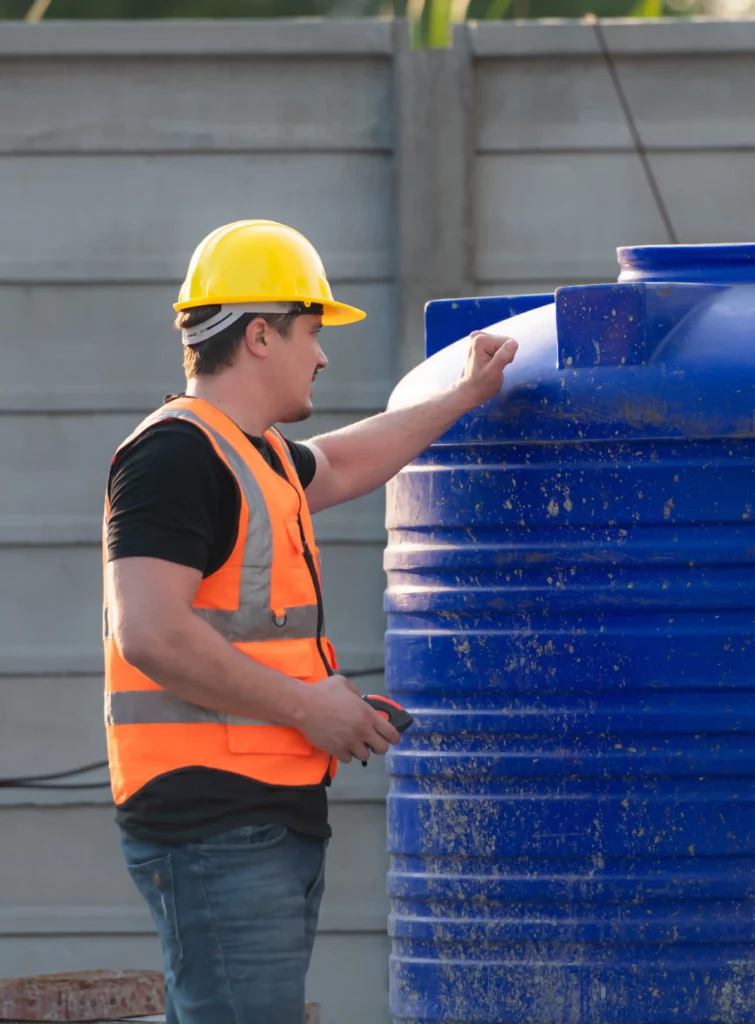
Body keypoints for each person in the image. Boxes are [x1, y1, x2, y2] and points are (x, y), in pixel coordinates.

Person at [103, 219, 518, 1024]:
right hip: (215, 819)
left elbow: (344, 462)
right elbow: (148, 630)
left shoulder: (251, 454)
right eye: (311, 332)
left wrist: (461, 397)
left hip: (262, 811)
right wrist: (310, 707)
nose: (322, 354)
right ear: (260, 335)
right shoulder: (176, 457)